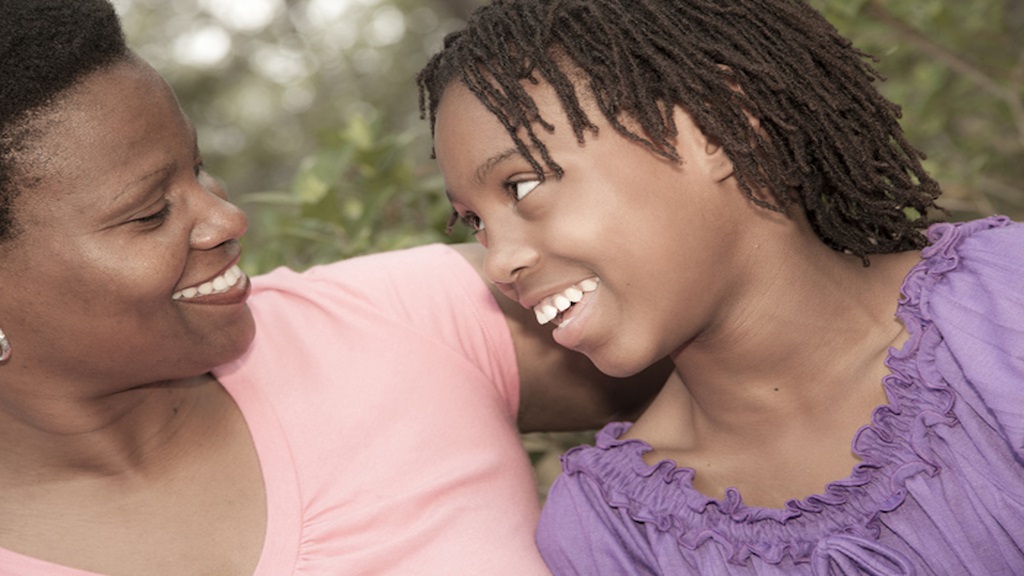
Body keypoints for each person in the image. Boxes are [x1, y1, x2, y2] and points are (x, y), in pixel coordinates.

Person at [0, 1, 670, 574]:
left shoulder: (415, 321)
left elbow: (757, 356)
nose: (227, 219)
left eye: (198, 170)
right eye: (150, 214)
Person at [417, 0, 1024, 574]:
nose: (497, 262)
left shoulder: (1001, 303)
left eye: (520, 186)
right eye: (475, 222)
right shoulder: (614, 531)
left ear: (711, 129)